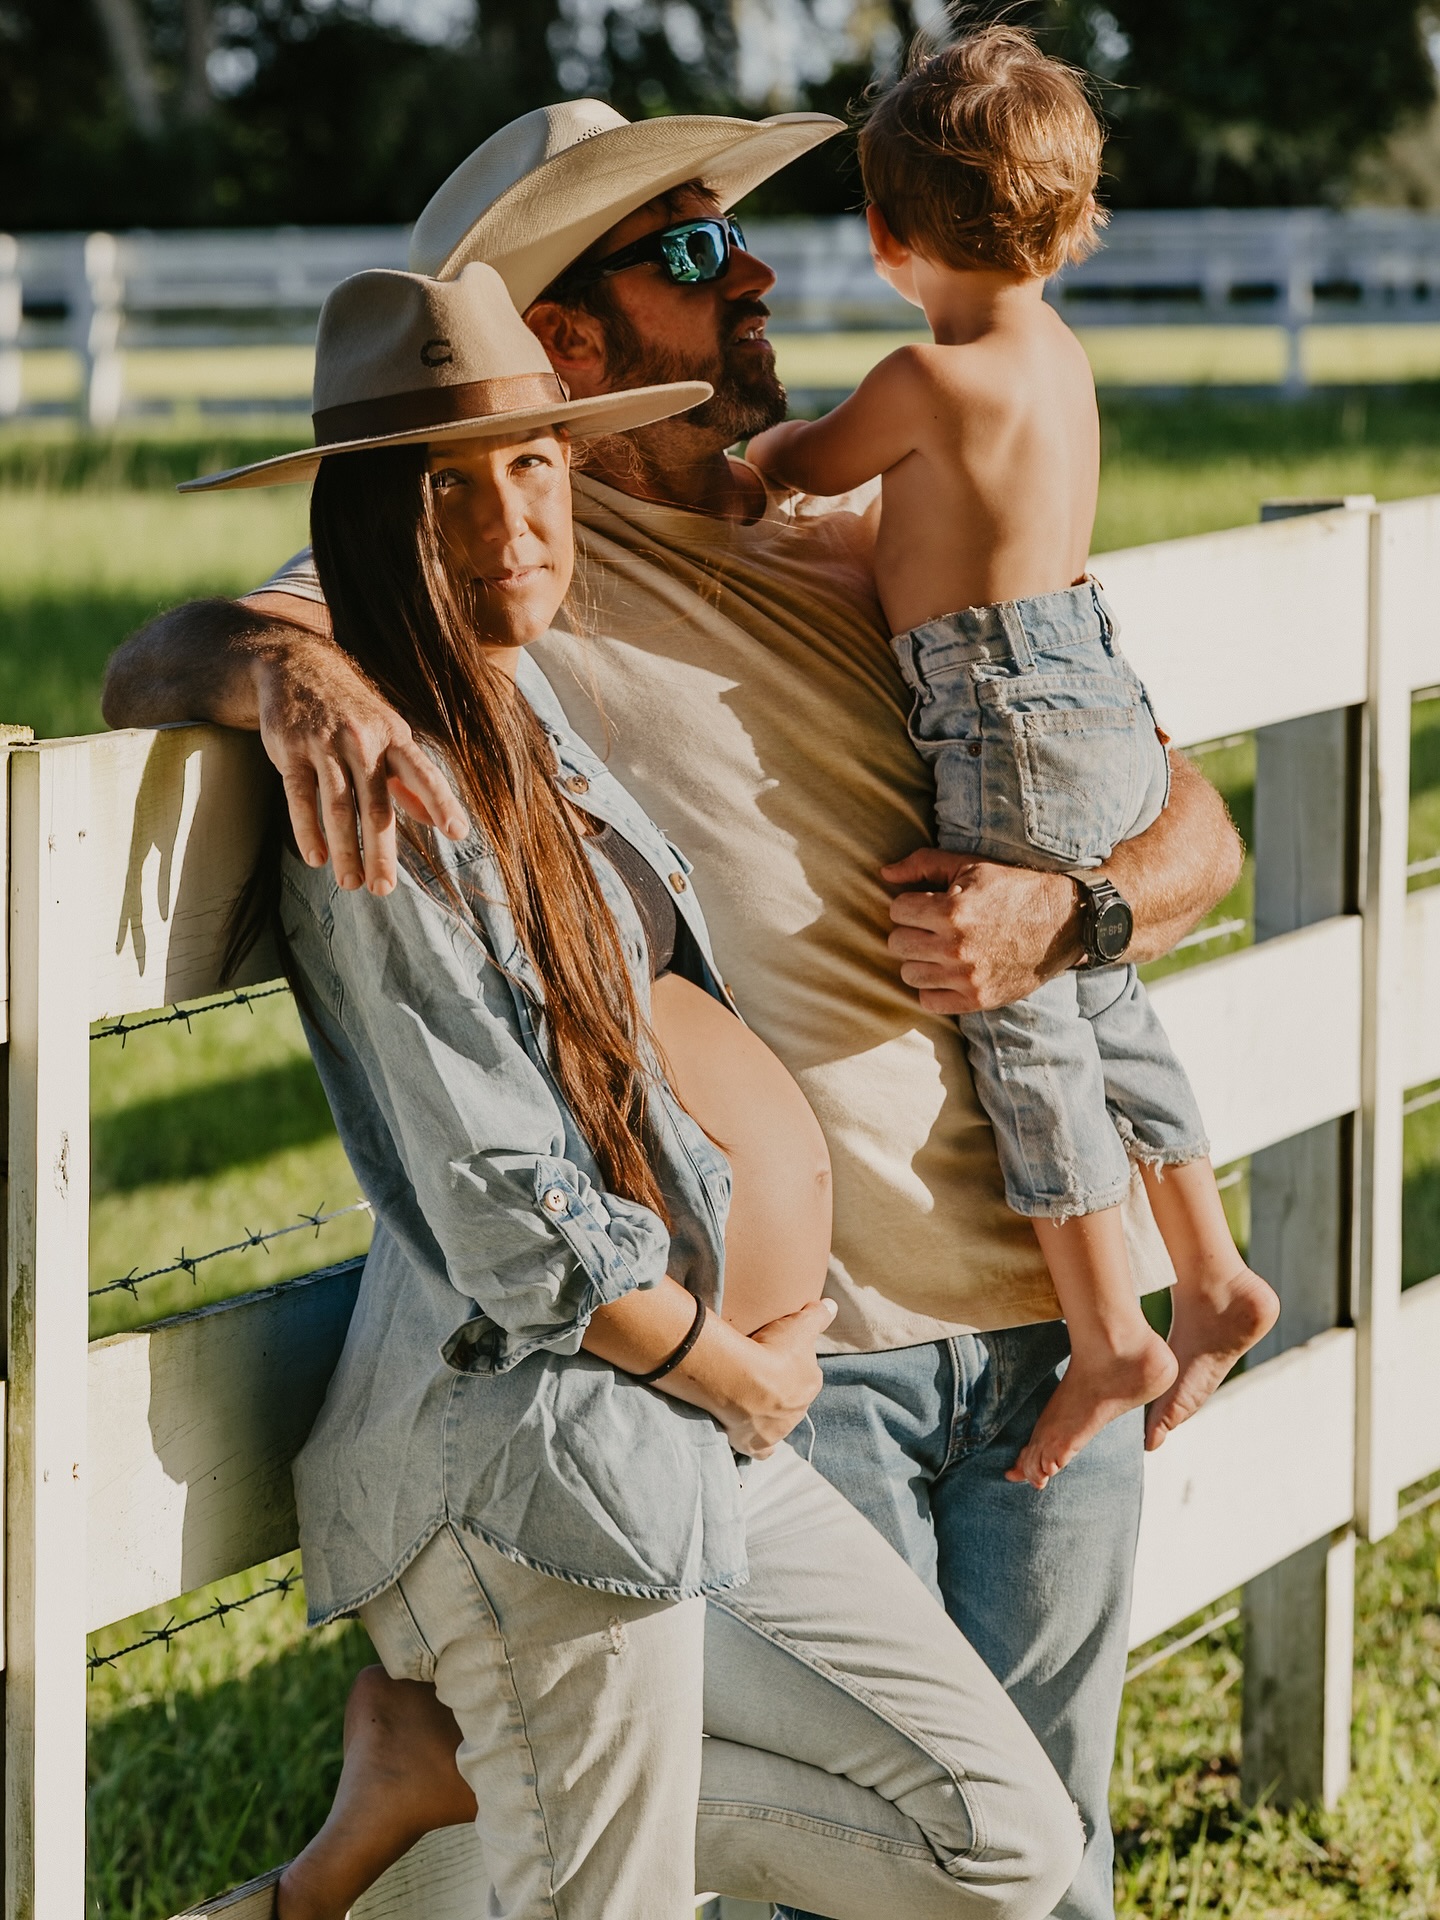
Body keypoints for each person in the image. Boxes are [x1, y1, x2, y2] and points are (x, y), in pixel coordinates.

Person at [105, 99, 1244, 1920]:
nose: (765, 272)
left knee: (1053, 1854)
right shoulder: (501, 556)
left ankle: (462, 1778)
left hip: (1046, 1301)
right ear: (562, 338)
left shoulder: (899, 506)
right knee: (879, 1877)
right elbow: (163, 654)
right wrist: (270, 673)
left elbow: (1182, 816)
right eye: (697, 252)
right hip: (823, 1361)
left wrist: (1075, 907)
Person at [747, 27, 1278, 1493]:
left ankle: (1111, 1327)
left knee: (1026, 1018)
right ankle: (1213, 1264)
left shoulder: (928, 377)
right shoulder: (1059, 358)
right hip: (1094, 683)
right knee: (1104, 989)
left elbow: (810, 465)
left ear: (884, 232)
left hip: (998, 719)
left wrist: (761, 462)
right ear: (1075, 216)